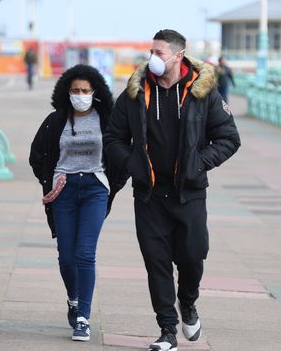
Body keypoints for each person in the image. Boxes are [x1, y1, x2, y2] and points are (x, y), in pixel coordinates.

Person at [103, 29, 241, 351]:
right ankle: (167, 330)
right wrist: (133, 163)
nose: (153, 57)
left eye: (160, 52)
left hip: (189, 192)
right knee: (157, 262)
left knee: (193, 256)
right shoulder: (136, 93)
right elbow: (113, 137)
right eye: (151, 50)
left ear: (179, 56)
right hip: (150, 194)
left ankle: (188, 303)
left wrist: (199, 163)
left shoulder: (202, 93)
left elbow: (229, 138)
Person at [29, 64, 127, 342]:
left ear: (95, 92)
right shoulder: (54, 121)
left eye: (85, 90)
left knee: (85, 254)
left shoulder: (107, 120)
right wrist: (50, 182)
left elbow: (122, 157)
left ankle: (82, 316)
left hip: (95, 190)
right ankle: (73, 299)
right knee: (66, 257)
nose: (80, 95)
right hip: (64, 191)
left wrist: (111, 186)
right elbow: (37, 156)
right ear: (66, 92)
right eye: (75, 91)